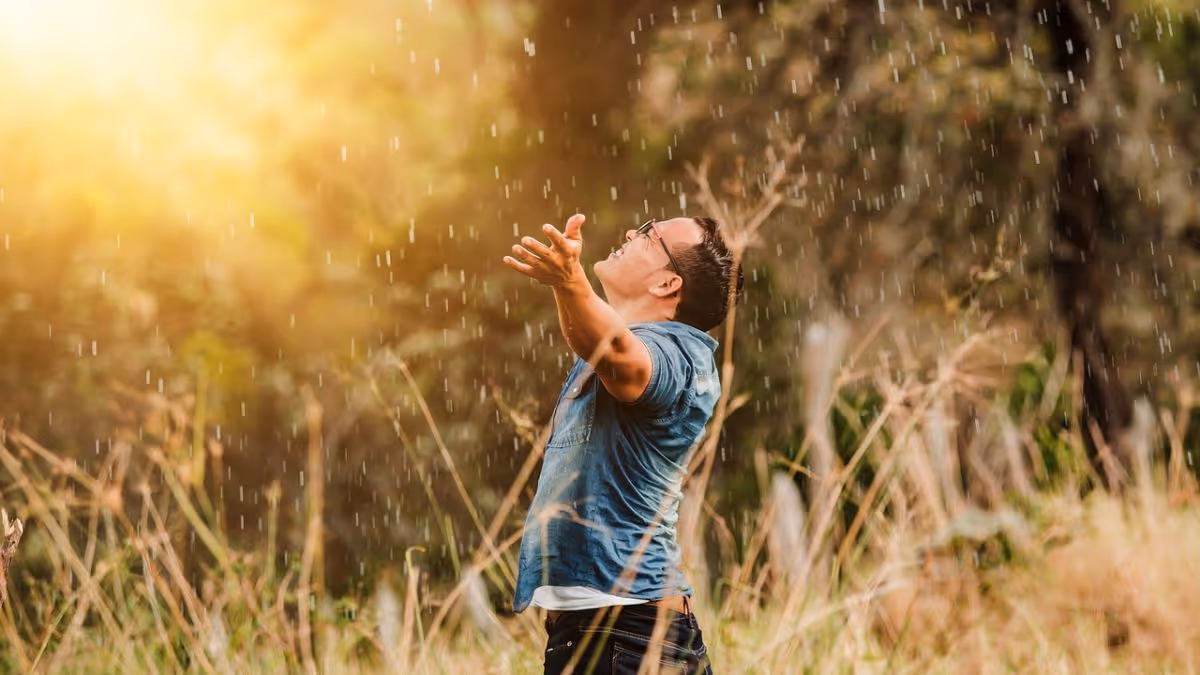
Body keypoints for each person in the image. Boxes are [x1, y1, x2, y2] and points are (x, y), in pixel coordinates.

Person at [501, 212, 743, 674]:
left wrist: (571, 279)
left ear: (667, 284)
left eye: (650, 235)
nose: (633, 232)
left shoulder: (680, 355)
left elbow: (618, 357)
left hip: (626, 636)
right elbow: (594, 341)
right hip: (612, 634)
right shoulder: (633, 341)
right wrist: (565, 285)